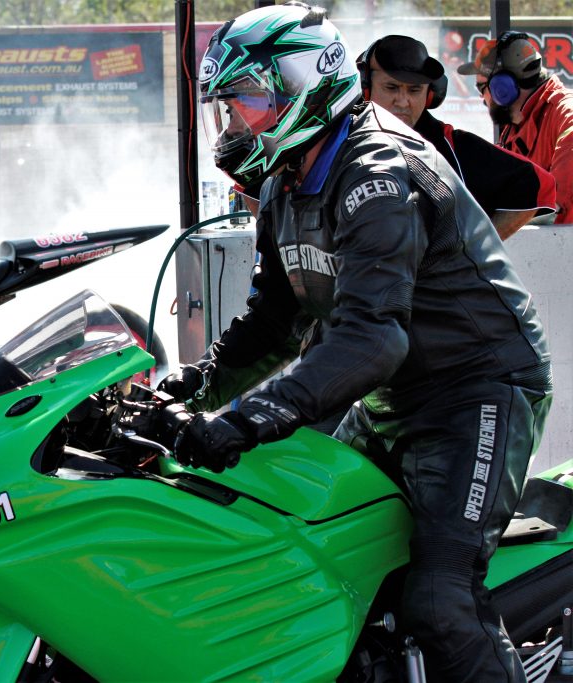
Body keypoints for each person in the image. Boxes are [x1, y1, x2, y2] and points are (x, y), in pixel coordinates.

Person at [163, 4, 551, 682]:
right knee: (310, 545)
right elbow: (272, 323)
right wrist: (189, 387)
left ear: (304, 88)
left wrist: (247, 417)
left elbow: (373, 338)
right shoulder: (286, 180)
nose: (234, 124)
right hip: (390, 394)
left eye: (248, 100)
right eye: (228, 107)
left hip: (477, 388)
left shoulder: (377, 171)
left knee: (439, 596)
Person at [358, 35, 556, 238]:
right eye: (391, 88)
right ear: (365, 88)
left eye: (414, 90)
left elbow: (538, 185)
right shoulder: (343, 140)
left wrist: (471, 250)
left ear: (430, 95)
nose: (403, 101)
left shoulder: (449, 147)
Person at [458, 32, 573, 224]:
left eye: (481, 88)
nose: (481, 97)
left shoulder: (566, 117)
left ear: (501, 87)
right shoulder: (515, 127)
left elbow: (556, 209)